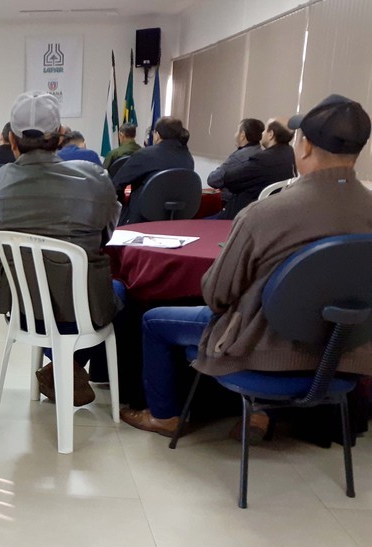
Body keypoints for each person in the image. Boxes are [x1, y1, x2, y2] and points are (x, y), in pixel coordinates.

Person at [120, 94, 372, 440]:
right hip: (342, 353)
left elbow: (217, 294)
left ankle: (164, 416)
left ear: (307, 147)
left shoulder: (265, 214)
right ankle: (260, 416)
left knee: (152, 320)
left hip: (259, 348)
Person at [0, 91, 123, 405]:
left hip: (23, 310)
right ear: (60, 137)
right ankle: (74, 370)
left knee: (49, 296)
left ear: (12, 141)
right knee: (120, 293)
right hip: (83, 311)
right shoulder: (95, 178)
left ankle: (61, 369)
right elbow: (105, 237)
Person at [112, 116, 194, 225]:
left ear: (157, 135)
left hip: (141, 221)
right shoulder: (187, 157)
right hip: (177, 221)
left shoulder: (145, 155)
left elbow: (117, 183)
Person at [217, 118, 297, 219]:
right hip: (271, 214)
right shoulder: (291, 154)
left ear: (271, 134)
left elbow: (230, 180)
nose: (262, 134)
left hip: (242, 217)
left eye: (265, 130)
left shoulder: (263, 159)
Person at [206, 118, 264, 207]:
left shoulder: (239, 157)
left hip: (229, 205)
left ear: (242, 135)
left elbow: (213, 180)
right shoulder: (261, 153)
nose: (235, 134)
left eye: (237, 131)